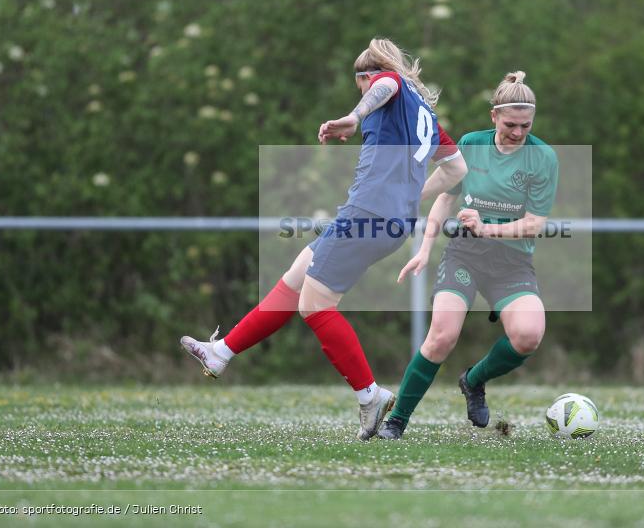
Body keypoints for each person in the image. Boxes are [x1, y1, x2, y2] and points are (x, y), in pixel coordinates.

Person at [180, 38, 467, 441]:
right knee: (297, 276)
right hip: (389, 220)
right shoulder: (425, 114)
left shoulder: (387, 86)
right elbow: (457, 169)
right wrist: (408, 195)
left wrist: (355, 114)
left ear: (366, 77)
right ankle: (222, 351)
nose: (364, 92)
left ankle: (369, 394)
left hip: (366, 214)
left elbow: (385, 87)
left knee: (315, 306)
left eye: (360, 85)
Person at [376, 71, 558, 439]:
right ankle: (396, 422)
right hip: (466, 255)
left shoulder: (543, 158)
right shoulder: (471, 145)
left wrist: (487, 227)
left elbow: (534, 224)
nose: (519, 132)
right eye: (511, 124)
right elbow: (445, 195)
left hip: (512, 262)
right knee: (441, 336)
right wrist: (425, 247)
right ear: (494, 116)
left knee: (528, 335)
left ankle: (473, 381)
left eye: (526, 125)